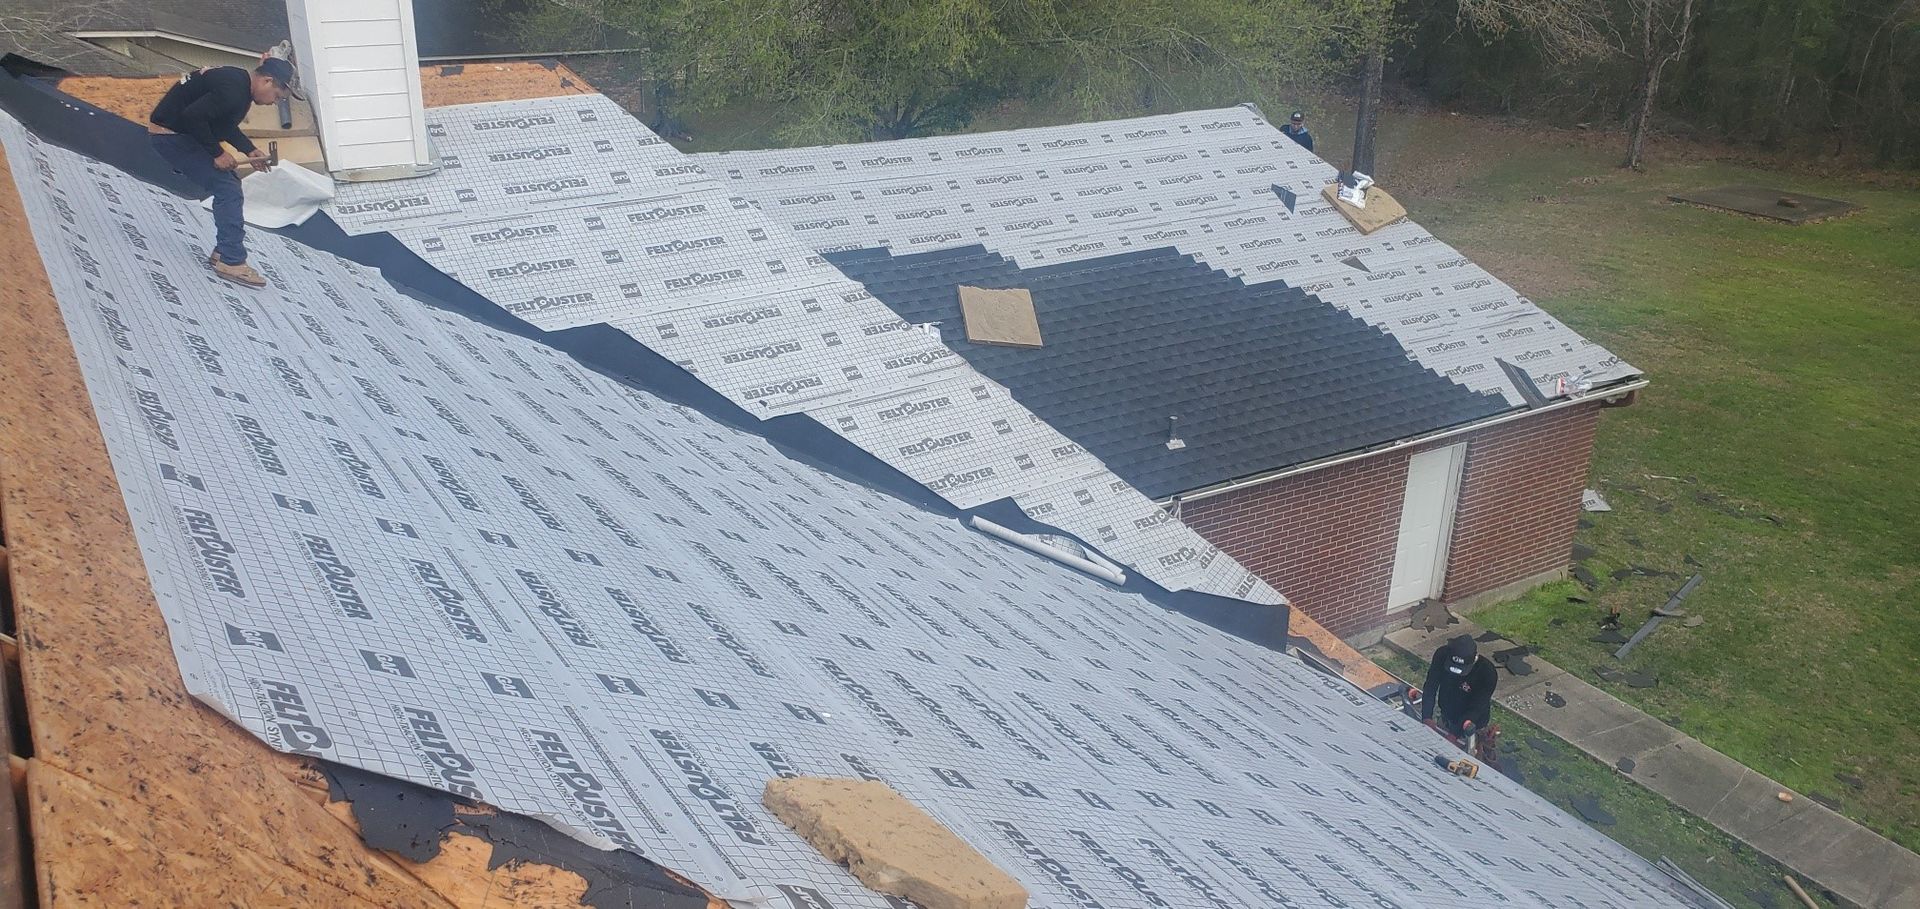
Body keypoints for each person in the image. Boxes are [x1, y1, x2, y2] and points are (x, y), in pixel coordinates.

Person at [148, 59, 294, 288]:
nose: (273, 103)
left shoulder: (238, 83)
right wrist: (217, 153)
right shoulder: (234, 92)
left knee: (229, 183)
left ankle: (223, 252)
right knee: (227, 189)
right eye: (276, 96)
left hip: (177, 132)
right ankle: (231, 261)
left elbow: (222, 123)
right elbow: (192, 117)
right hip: (170, 136)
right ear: (267, 81)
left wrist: (249, 150)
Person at [1421, 635, 1496, 738]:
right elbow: (1431, 686)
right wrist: (1427, 716)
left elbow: (1477, 707)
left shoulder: (1487, 672)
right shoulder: (1441, 655)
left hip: (1472, 725)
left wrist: (1454, 734)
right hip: (1446, 715)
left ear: (1474, 659)